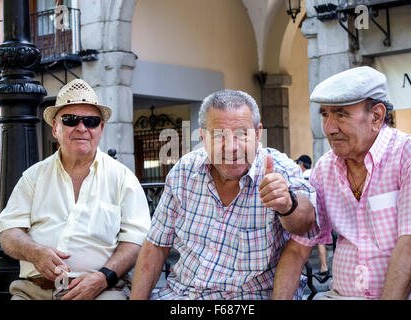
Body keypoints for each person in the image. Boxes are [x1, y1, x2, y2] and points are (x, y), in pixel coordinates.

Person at [130, 89, 318, 300]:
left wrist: (287, 205)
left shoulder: (279, 170)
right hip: (180, 295)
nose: (231, 147)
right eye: (219, 135)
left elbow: (305, 224)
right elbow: (156, 244)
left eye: (241, 134)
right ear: (203, 137)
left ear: (257, 134)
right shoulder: (185, 172)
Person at [0, 79, 151, 300]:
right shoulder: (33, 177)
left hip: (102, 291)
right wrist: (35, 253)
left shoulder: (123, 178)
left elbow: (136, 241)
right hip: (34, 291)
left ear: (101, 128)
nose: (81, 128)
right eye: (70, 120)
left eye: (91, 121)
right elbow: (8, 232)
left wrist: (103, 277)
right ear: (55, 128)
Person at [301, 66, 411, 299]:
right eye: (325, 115)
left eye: (341, 114)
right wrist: (288, 207)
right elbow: (301, 241)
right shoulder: (325, 167)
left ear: (376, 116)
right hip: (342, 294)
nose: (329, 128)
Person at [296, 155, 329, 276]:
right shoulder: (315, 173)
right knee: (321, 242)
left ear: (301, 164)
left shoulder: (303, 176)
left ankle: (301, 271)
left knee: (302, 243)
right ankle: (324, 266)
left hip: (308, 212)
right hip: (320, 210)